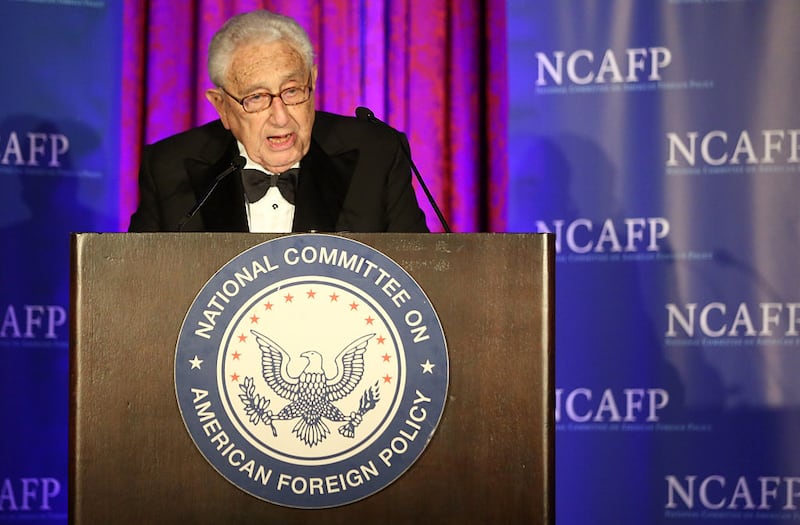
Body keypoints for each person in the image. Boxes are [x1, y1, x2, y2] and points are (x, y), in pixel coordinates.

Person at [128, 9, 429, 233]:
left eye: (292, 91)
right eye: (256, 98)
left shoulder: (376, 153)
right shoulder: (170, 166)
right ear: (221, 106)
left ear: (312, 79)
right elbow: (136, 286)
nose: (281, 116)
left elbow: (419, 272)